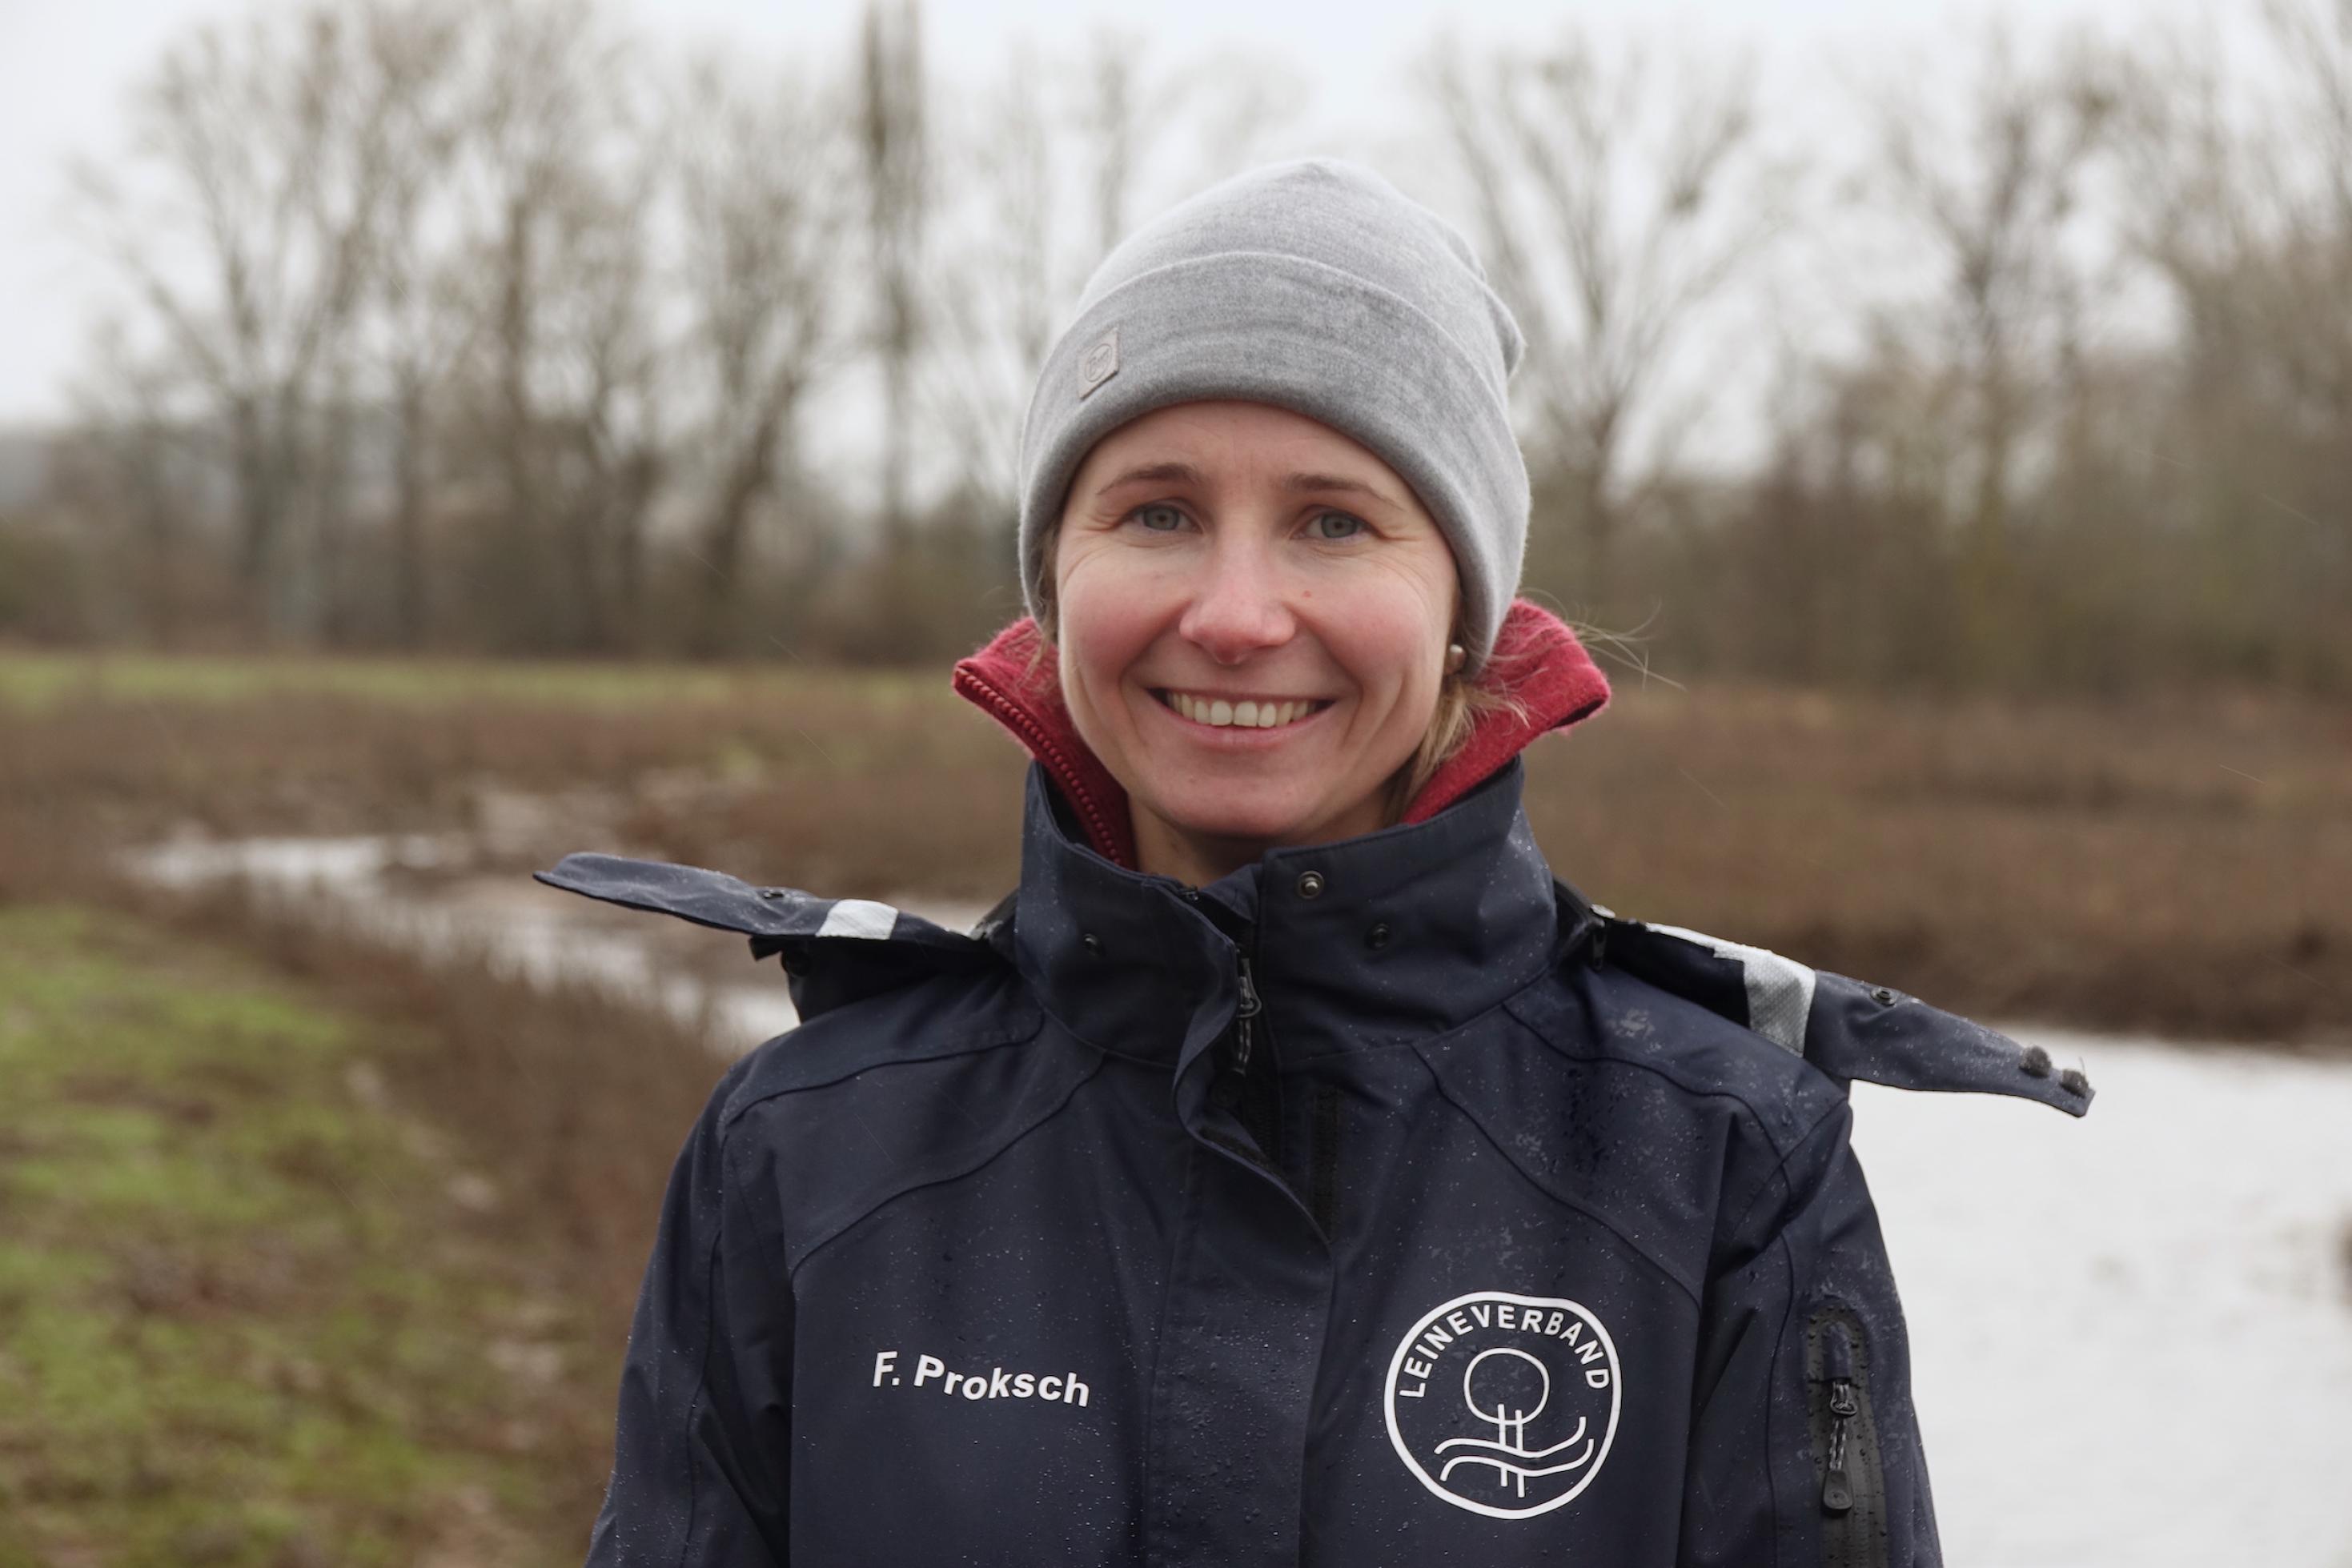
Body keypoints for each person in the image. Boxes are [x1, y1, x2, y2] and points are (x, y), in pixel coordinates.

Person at [540, 157, 2091, 1566]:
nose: (1232, 611)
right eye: (1153, 510)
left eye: (1334, 524)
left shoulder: (1723, 1163)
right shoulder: (801, 1150)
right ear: (1051, 586)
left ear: (1466, 611)